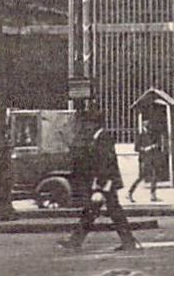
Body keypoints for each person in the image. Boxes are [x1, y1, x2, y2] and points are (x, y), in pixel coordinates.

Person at [59, 103, 140, 253]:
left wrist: (99, 188)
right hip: (105, 182)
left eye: (87, 123)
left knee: (101, 212)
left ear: (94, 123)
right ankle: (127, 242)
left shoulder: (103, 138)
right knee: (105, 212)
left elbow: (105, 164)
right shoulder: (99, 137)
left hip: (105, 182)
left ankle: (76, 241)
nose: (86, 127)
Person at [128, 118, 162, 203]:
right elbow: (136, 148)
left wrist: (155, 146)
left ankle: (153, 195)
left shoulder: (153, 134)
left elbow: (158, 144)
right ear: (143, 124)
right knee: (141, 177)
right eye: (146, 123)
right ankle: (130, 192)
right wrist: (145, 149)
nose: (148, 125)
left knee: (154, 176)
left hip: (153, 158)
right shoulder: (140, 135)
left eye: (149, 123)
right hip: (144, 159)